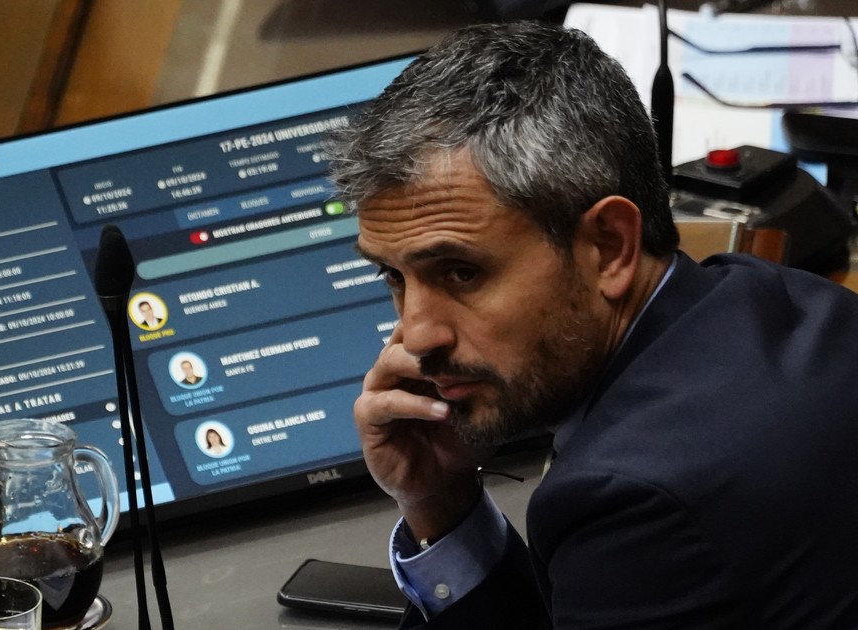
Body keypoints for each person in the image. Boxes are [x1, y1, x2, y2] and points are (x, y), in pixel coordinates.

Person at [328, 21, 858, 628]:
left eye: (461, 273)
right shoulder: (794, 302)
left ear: (609, 246)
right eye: (394, 277)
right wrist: (438, 501)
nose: (417, 335)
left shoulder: (636, 499)